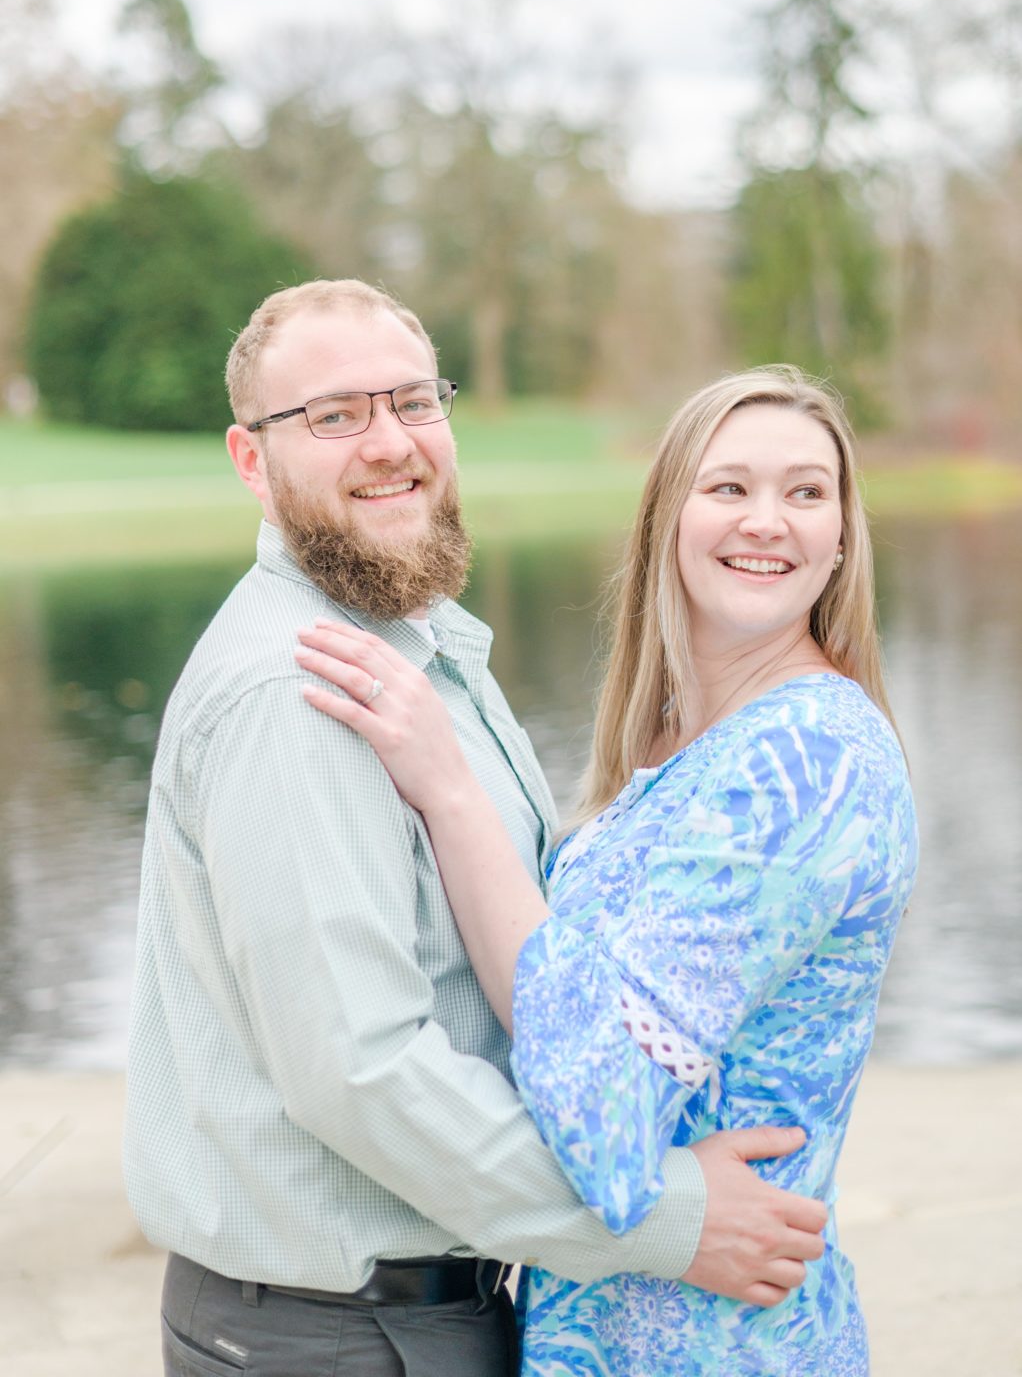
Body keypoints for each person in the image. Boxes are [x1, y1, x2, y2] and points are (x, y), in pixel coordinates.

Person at [124, 283, 827, 1377]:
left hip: (397, 1317)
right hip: (340, 1338)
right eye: (335, 416)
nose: (390, 444)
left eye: (412, 401)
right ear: (250, 461)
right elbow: (363, 1074)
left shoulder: (412, 643)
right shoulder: (299, 691)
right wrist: (661, 1219)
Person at [296, 363, 918, 1376]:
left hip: (717, 1345)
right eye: (728, 488)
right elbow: (562, 1001)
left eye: (805, 492)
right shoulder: (691, 740)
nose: (767, 519)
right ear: (664, 516)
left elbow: (596, 1108)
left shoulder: (802, 762)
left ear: (840, 536)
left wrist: (448, 791)